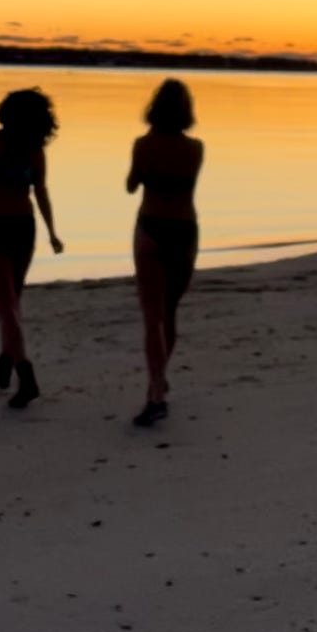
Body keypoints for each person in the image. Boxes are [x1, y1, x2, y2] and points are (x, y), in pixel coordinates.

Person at [0, 88, 63, 408]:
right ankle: (5, 361)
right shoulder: (35, 151)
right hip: (23, 228)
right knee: (12, 305)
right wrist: (52, 233)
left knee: (6, 308)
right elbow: (41, 193)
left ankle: (25, 373)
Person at [126, 78, 204, 428]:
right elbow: (186, 185)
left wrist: (142, 173)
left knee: (152, 316)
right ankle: (158, 381)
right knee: (169, 312)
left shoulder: (143, 144)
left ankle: (156, 390)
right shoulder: (195, 148)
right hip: (184, 230)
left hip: (151, 228)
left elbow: (132, 184)